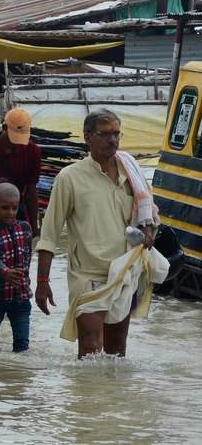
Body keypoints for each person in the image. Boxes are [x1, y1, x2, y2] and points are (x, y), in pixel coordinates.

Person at [35, 109, 160, 359]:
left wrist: (148, 231)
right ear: (87, 137)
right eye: (105, 134)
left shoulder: (132, 175)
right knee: (90, 350)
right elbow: (49, 233)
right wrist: (42, 282)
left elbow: (149, 216)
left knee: (117, 352)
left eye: (116, 134)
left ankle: (111, 399)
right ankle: (84, 397)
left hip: (123, 273)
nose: (112, 140)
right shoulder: (69, 178)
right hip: (87, 276)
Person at [0, 183, 33, 352]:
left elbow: (28, 258)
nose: (10, 213)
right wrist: (6, 272)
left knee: (22, 345)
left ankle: (18, 376)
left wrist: (22, 276)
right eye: (4, 208)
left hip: (21, 295)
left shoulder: (25, 228)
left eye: (14, 208)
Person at [0, 108, 41, 234]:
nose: (18, 143)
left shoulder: (32, 151)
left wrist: (34, 225)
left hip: (16, 212)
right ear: (4, 128)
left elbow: (31, 191)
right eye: (15, 137)